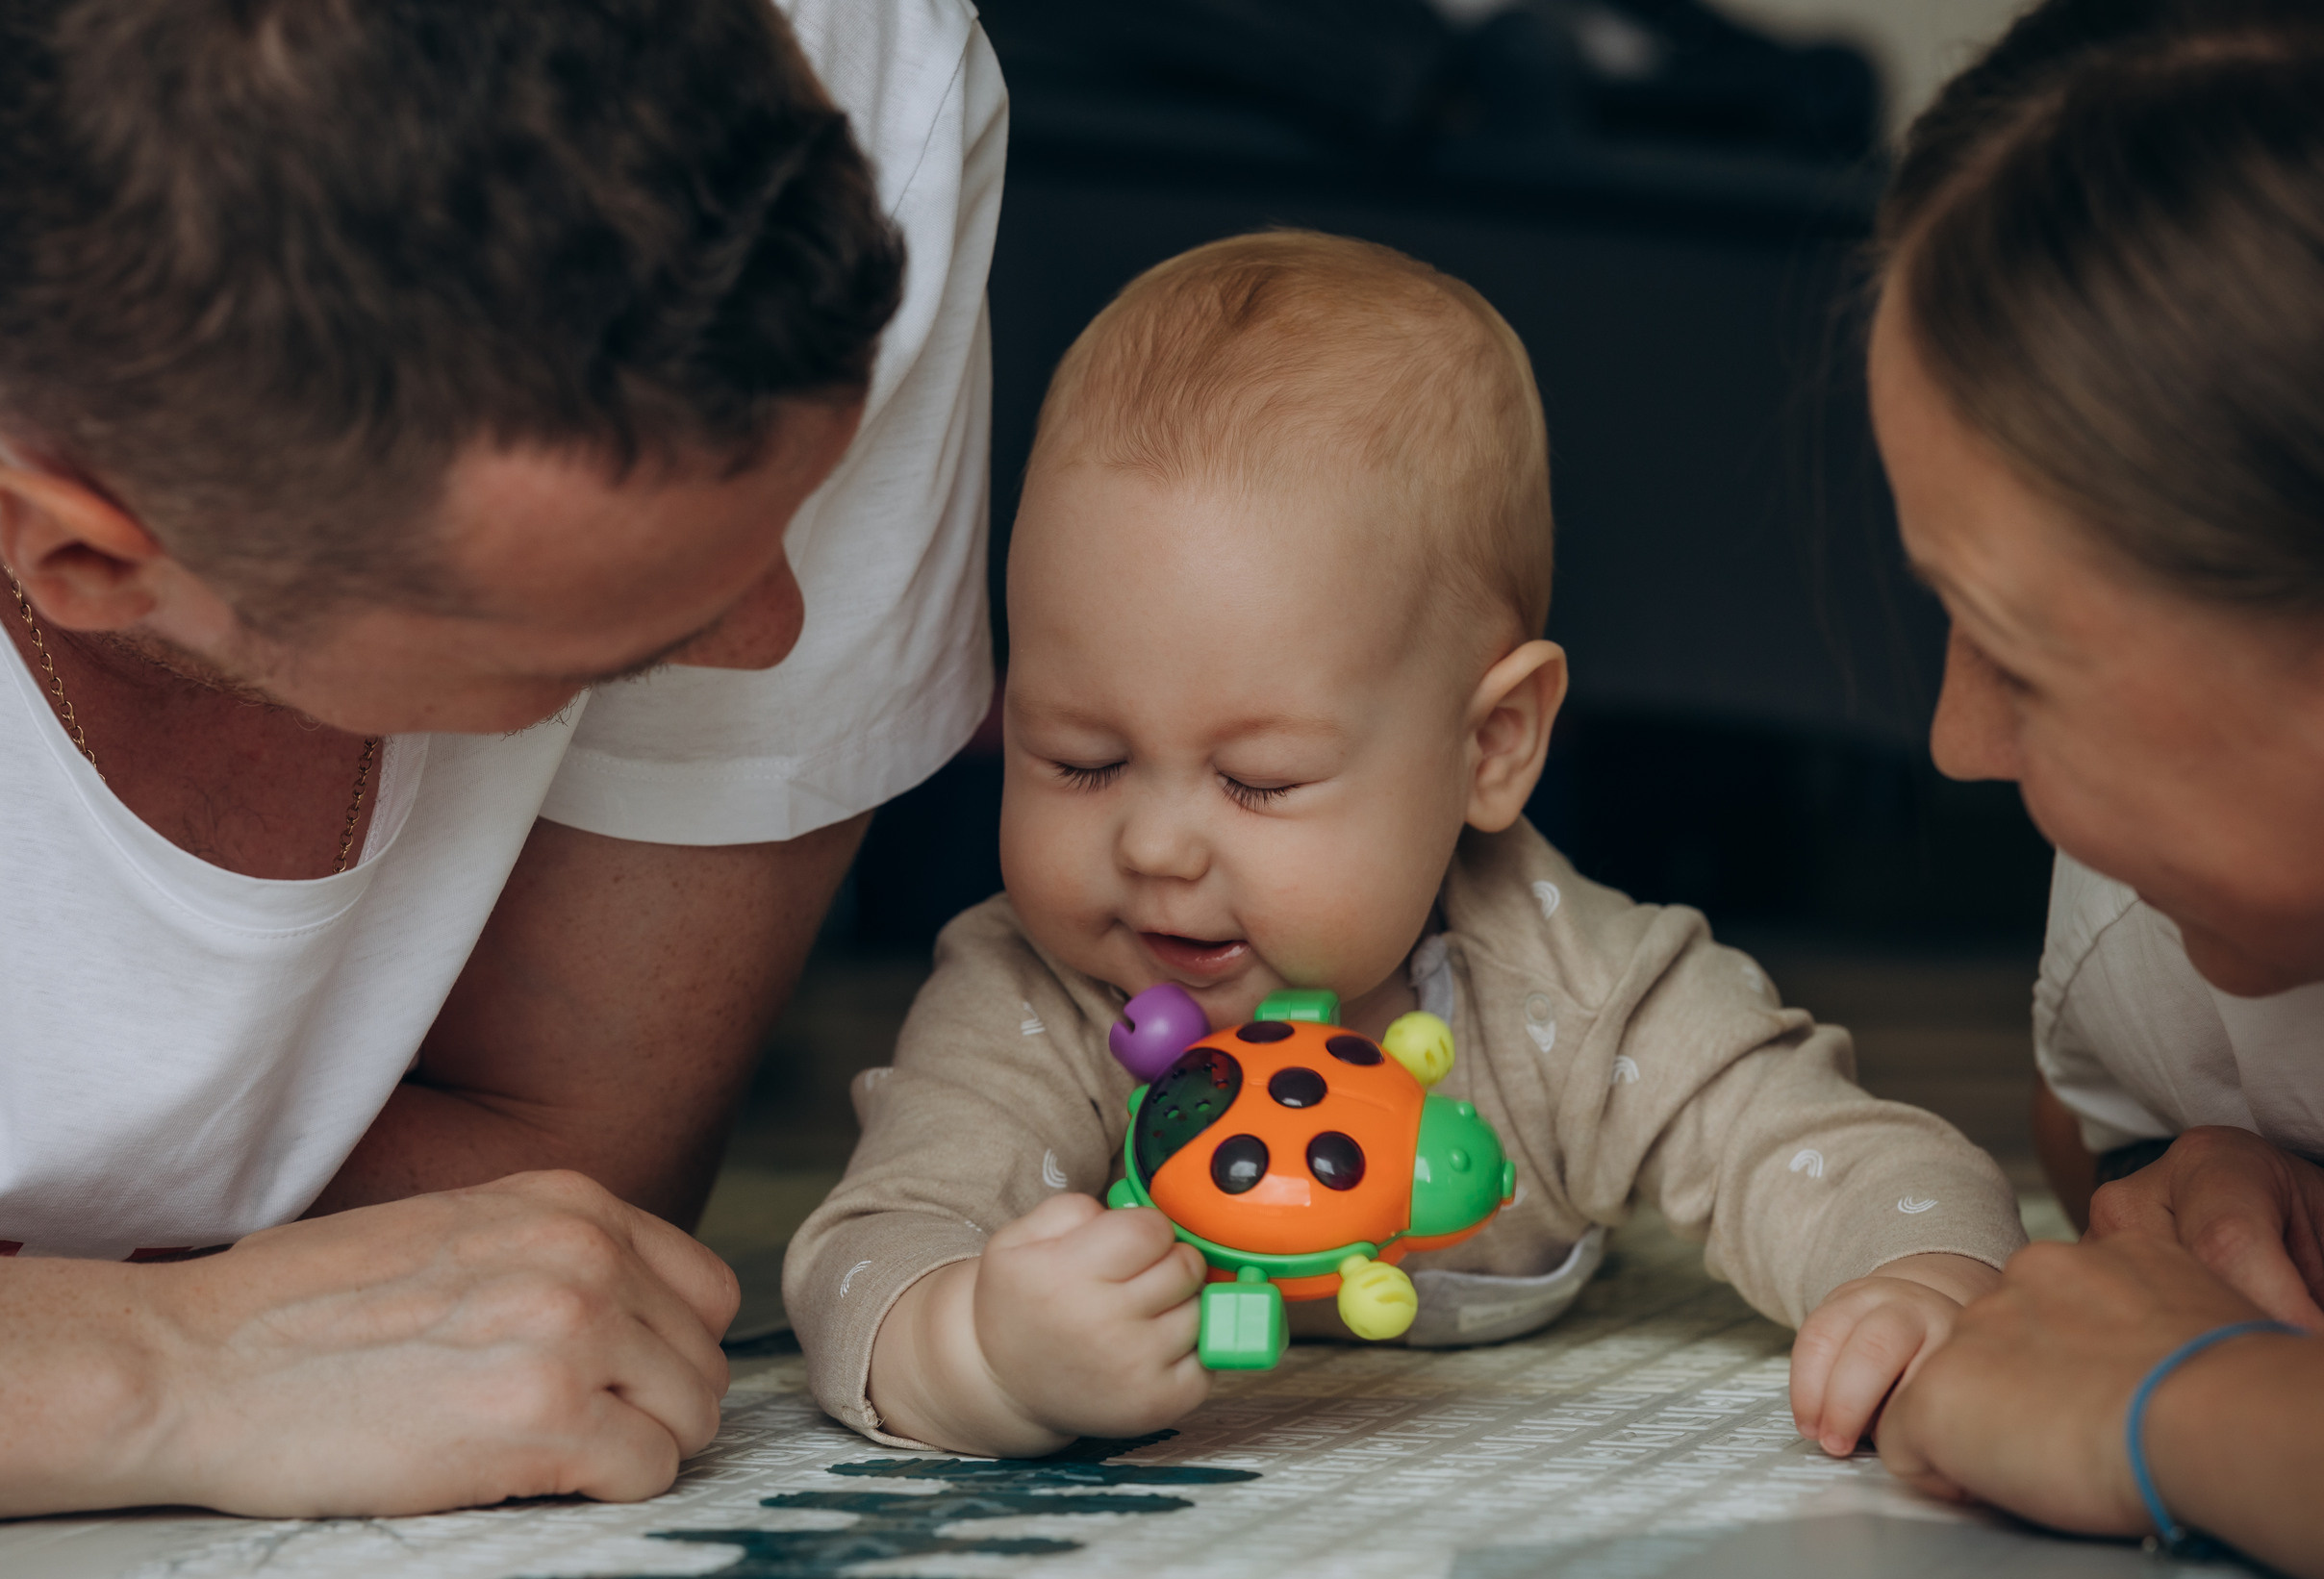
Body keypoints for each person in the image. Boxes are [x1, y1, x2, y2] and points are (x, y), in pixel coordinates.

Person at [0, 0, 1003, 1530]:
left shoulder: (839, 90)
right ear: (88, 561)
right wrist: (166, 1368)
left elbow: (549, 1239)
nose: (773, 642)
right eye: (594, 642)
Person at [780, 230, 2026, 1457]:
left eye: (1258, 780)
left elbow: (1860, 1161)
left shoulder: (1573, 993)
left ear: (1490, 747)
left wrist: (1918, 1284)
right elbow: (866, 1249)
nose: (1155, 844)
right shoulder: (1032, 998)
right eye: (1079, 760)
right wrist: (978, 1353)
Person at [1857, 0, 2324, 1579]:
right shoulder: (2154, 918)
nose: (1957, 747)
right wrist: (2196, 1172)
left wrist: (2199, 1402)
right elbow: (2089, 1134)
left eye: (2014, 658)